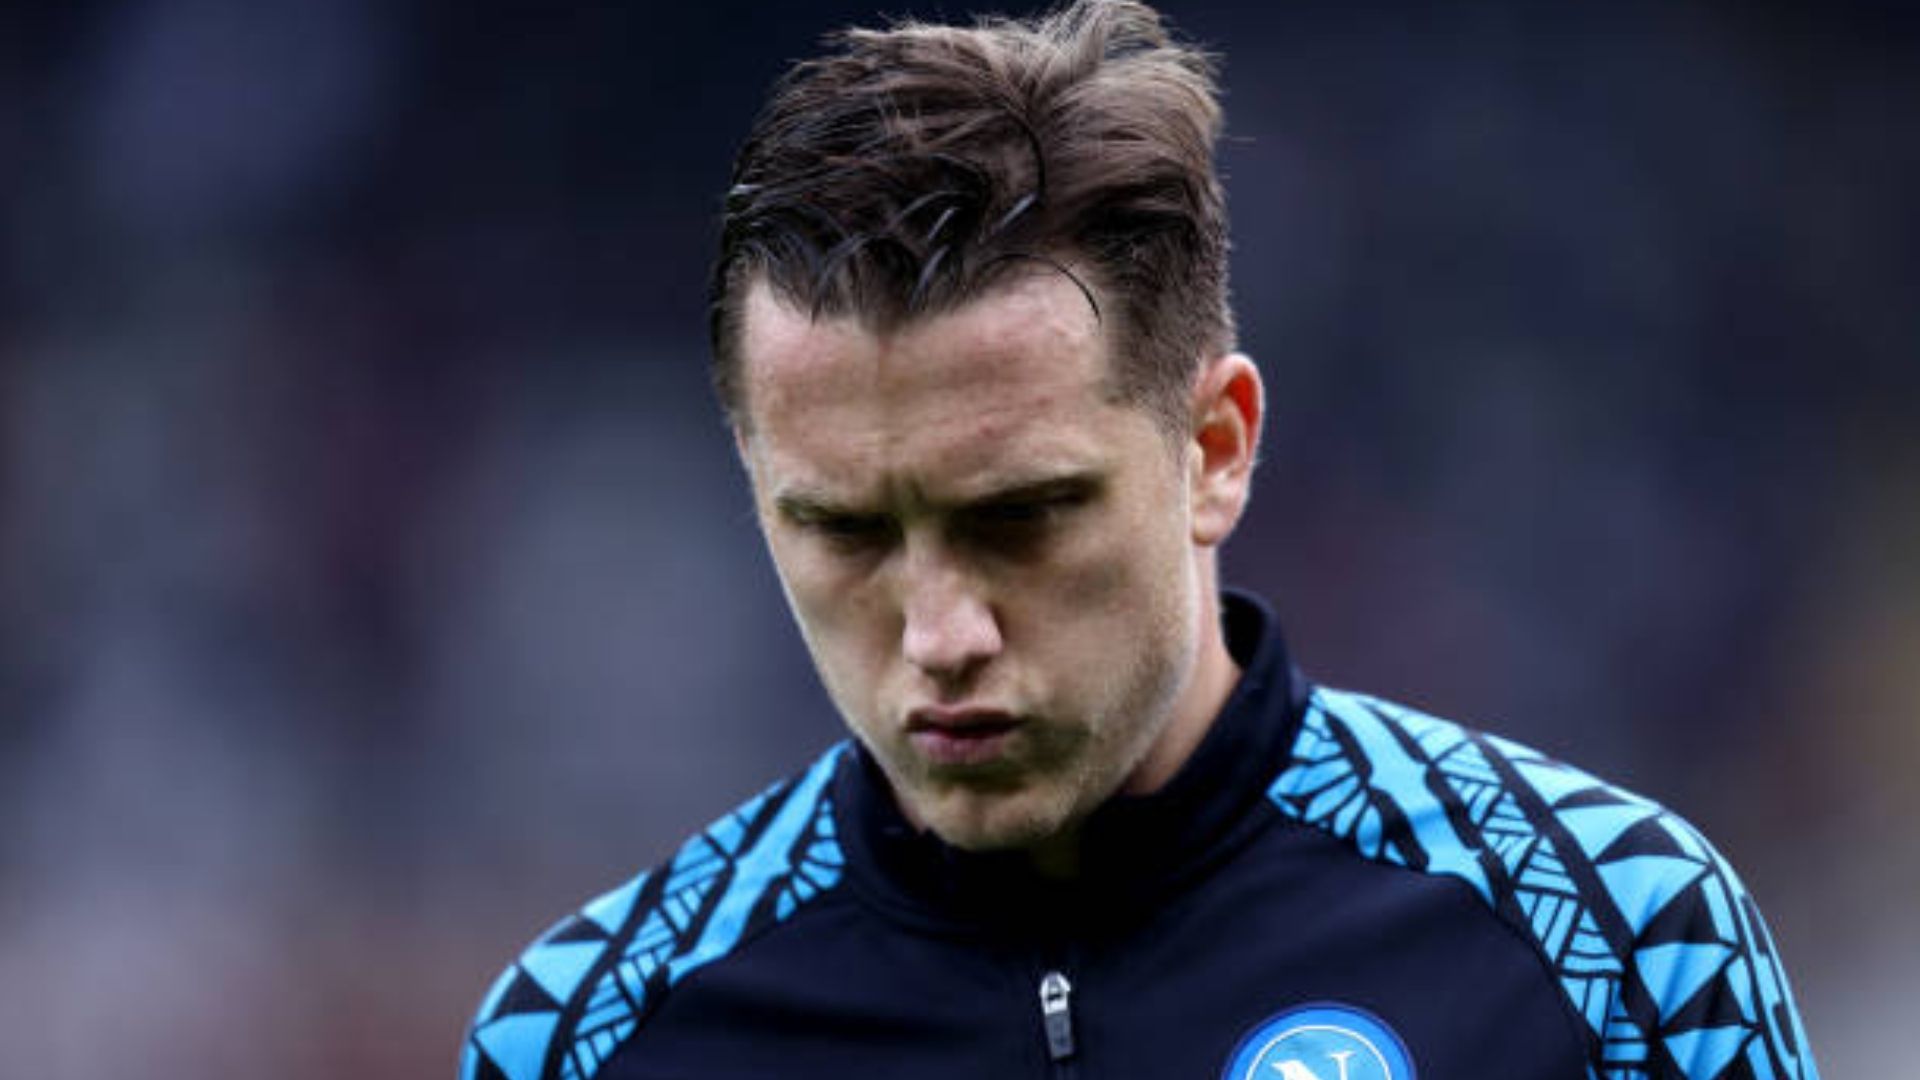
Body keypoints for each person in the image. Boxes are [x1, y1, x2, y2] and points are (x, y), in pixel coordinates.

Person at [460, 1, 1820, 1076]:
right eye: (845, 530)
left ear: (1215, 447)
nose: (941, 634)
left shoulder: (1621, 948)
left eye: (1020, 516)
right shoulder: (587, 1041)